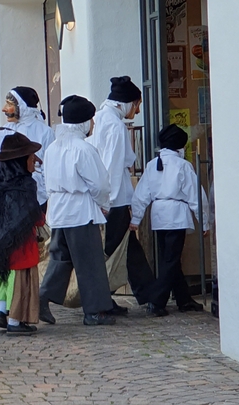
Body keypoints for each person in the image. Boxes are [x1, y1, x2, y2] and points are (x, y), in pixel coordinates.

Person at [39, 95, 116, 326]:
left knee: (61, 258)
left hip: (58, 210)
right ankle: (95, 311)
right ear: (84, 122)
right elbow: (99, 184)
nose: (92, 124)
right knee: (89, 262)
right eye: (91, 120)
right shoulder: (84, 149)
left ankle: (43, 297)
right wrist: (104, 205)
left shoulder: (53, 148)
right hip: (81, 211)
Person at [91, 76, 156, 313]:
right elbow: (113, 166)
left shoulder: (100, 118)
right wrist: (108, 202)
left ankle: (150, 295)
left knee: (126, 249)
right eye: (137, 105)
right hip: (114, 199)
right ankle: (104, 299)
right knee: (120, 250)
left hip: (107, 197)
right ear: (128, 102)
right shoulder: (115, 126)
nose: (136, 111)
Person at [129, 124, 209, 316]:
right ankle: (156, 301)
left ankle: (184, 299)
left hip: (158, 216)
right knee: (171, 260)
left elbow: (141, 194)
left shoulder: (152, 164)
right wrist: (204, 221)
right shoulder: (182, 165)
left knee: (170, 259)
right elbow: (196, 196)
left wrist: (136, 218)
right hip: (176, 216)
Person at [0, 133, 44, 335]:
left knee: (5, 276)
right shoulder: (26, 185)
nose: (34, 160)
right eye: (30, 157)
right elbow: (32, 215)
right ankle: (15, 321)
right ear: (20, 161)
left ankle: (1, 310)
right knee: (19, 281)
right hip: (20, 243)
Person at [0, 87, 55, 209]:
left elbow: (49, 165)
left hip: (37, 197)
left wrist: (44, 191)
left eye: (9, 104)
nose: (4, 109)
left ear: (23, 107)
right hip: (9, 195)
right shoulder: (5, 131)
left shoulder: (45, 132)